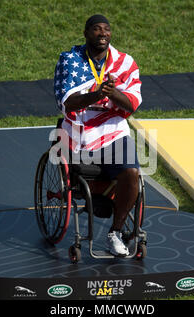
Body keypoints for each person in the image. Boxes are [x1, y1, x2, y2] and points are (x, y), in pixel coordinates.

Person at [53, 14, 142, 256]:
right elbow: (68, 103)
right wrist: (98, 93)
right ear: (86, 33)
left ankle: (115, 232)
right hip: (78, 131)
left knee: (132, 172)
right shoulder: (70, 60)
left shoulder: (124, 63)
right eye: (96, 29)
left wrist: (111, 93)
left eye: (107, 29)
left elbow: (131, 104)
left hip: (112, 131)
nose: (103, 33)